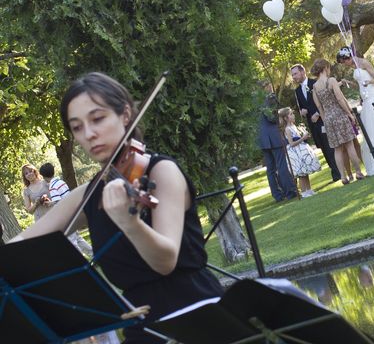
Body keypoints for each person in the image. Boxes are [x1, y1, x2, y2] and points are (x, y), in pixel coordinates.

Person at [11, 72, 223, 343]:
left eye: (97, 119)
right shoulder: (89, 194)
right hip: (142, 326)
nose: (88, 134)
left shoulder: (161, 172)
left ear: (124, 115)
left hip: (199, 319)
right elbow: (19, 245)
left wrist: (130, 223)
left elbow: (166, 261)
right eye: (77, 127)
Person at [337, 47, 374, 176]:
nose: (344, 64)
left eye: (344, 61)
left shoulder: (363, 62)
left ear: (348, 57)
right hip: (366, 100)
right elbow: (359, 84)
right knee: (371, 130)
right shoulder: (354, 67)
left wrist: (368, 82)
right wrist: (350, 83)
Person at [310, 58, 364, 184]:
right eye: (328, 68)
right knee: (350, 145)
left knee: (338, 149)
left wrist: (325, 120)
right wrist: (349, 113)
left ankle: (343, 177)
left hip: (328, 118)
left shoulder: (314, 87)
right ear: (325, 68)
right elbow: (340, 99)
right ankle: (358, 172)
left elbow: (319, 106)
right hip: (339, 115)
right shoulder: (331, 81)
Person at [291, 64, 341, 182]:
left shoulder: (315, 83)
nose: (294, 77)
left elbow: (325, 100)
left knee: (330, 146)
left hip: (323, 119)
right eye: (292, 75)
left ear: (303, 72)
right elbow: (304, 106)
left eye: (295, 74)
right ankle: (333, 170)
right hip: (312, 125)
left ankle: (338, 171)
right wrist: (303, 111)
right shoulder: (297, 91)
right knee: (322, 147)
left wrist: (318, 113)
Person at [39, 162, 93, 258]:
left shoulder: (52, 186)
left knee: (72, 241)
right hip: (72, 211)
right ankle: (93, 254)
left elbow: (59, 203)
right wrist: (51, 202)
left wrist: (51, 204)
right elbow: (63, 198)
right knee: (78, 238)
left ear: (43, 176)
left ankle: (81, 261)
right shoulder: (61, 182)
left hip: (66, 215)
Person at [258, 80, 298, 202]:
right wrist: (280, 115)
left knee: (270, 169)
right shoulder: (270, 98)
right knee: (281, 164)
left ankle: (277, 195)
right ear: (268, 86)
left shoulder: (254, 101)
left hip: (262, 138)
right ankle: (290, 191)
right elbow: (271, 117)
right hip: (274, 136)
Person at [278, 107, 321, 198]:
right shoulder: (287, 129)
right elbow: (291, 143)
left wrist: (303, 137)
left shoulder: (294, 126)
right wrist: (302, 139)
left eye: (292, 114)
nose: (293, 115)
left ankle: (309, 189)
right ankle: (304, 192)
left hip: (301, 150)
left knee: (305, 171)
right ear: (286, 118)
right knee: (301, 172)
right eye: (291, 114)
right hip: (295, 152)